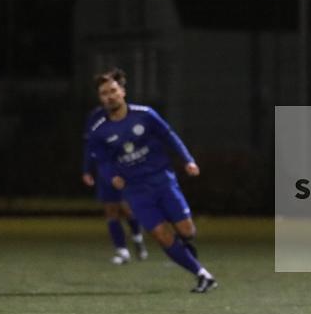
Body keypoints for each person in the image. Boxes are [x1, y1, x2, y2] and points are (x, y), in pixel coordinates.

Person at [86, 68, 217, 293]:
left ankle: (184, 245)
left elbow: (170, 137)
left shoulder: (145, 115)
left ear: (123, 92)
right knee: (160, 235)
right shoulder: (99, 131)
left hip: (163, 181)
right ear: (100, 98)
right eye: (104, 93)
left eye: (113, 91)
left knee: (187, 231)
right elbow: (103, 162)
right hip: (135, 190)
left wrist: (188, 160)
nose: (110, 96)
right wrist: (113, 176)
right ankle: (202, 274)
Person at [83, 98, 148, 265]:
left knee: (127, 208)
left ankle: (137, 237)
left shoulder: (131, 114)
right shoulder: (96, 117)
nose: (108, 97)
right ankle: (122, 250)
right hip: (105, 169)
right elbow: (90, 145)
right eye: (103, 93)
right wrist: (87, 169)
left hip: (126, 168)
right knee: (111, 209)